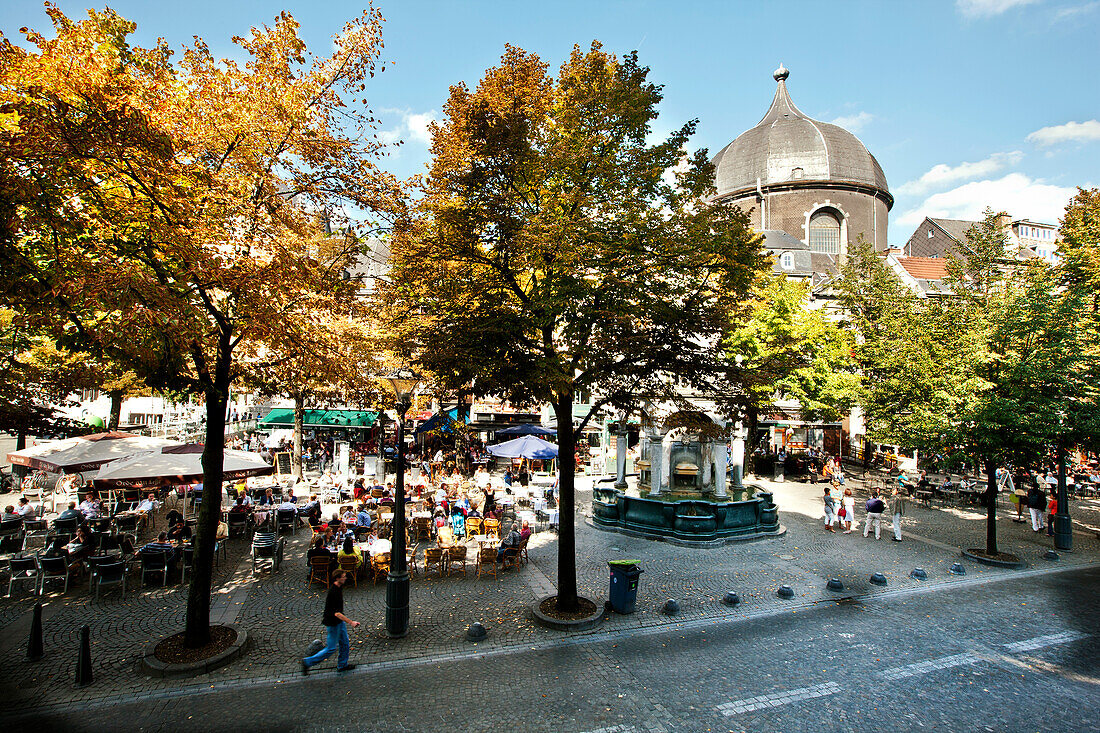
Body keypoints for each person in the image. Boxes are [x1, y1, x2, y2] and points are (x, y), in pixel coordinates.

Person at [302, 569, 359, 674]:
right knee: (331, 648)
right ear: (338, 578)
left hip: (338, 622)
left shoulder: (338, 587)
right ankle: (308, 662)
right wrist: (351, 622)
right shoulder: (334, 592)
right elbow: (337, 613)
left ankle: (342, 665)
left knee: (345, 643)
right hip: (333, 623)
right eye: (343, 576)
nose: (345, 578)